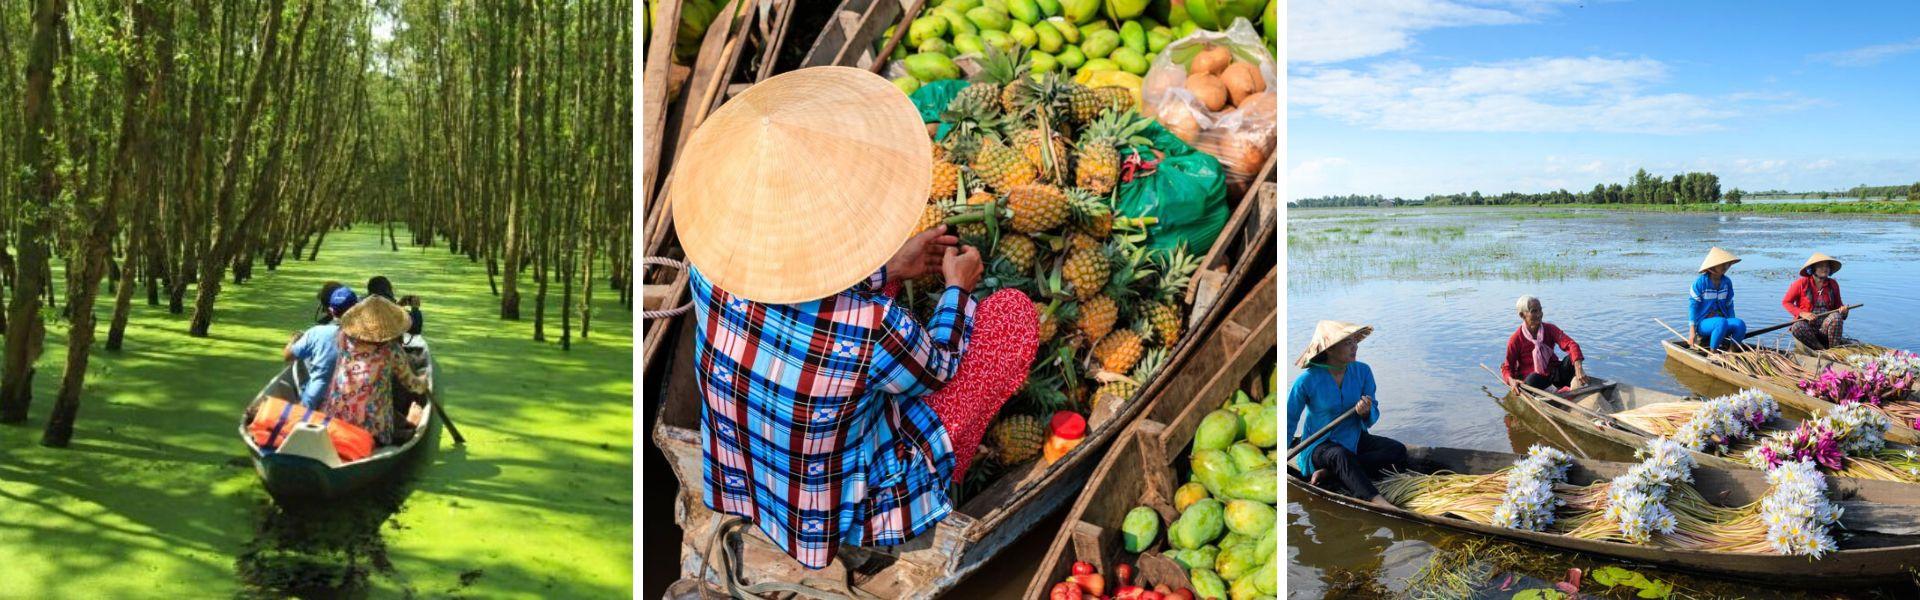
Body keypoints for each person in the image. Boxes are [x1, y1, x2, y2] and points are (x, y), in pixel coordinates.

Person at [670, 67, 1037, 570]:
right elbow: (940, 369)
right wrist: (958, 289)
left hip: (742, 471)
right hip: (840, 506)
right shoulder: (871, 325)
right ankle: (933, 488)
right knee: (1010, 318)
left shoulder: (712, 266)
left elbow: (790, 295)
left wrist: (887, 269)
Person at [1287, 320, 1407, 509]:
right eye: (1348, 343)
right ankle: (1378, 501)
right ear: (1330, 349)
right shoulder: (1307, 381)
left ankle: (1332, 473)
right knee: (1339, 456)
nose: (1355, 347)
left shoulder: (1363, 371)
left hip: (1354, 438)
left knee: (1397, 450)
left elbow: (1372, 413)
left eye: (1355, 341)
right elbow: (1289, 419)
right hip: (1320, 445)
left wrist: (1366, 412)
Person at [319, 295, 429, 446]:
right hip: (372, 429)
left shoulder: (343, 337)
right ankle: (404, 426)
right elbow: (411, 384)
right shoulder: (391, 350)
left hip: (334, 418)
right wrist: (423, 383)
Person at [285, 285, 357, 408]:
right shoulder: (369, 336)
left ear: (331, 310)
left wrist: (293, 340)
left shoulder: (316, 332)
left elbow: (288, 356)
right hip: (352, 404)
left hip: (314, 403)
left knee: (300, 360)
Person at [1502, 295, 1590, 392]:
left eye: (1540, 310)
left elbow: (1571, 344)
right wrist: (1511, 380)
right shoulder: (1515, 339)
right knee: (1532, 379)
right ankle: (1558, 391)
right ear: (1522, 315)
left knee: (1571, 359)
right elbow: (1507, 368)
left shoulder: (1549, 329)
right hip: (1537, 380)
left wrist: (1578, 366)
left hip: (1554, 374)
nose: (1539, 314)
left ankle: (1564, 388)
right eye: (1534, 311)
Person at [1782, 252, 1849, 351]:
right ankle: (1821, 349)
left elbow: (1839, 307)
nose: (1825, 268)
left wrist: (1844, 311)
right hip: (1808, 327)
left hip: (1825, 328)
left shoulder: (1833, 284)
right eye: (1821, 266)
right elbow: (1786, 302)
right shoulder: (1801, 283)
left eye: (1827, 266)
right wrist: (1802, 313)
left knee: (1836, 317)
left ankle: (1834, 350)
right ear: (1813, 269)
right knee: (1797, 326)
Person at [1689, 247, 1748, 349]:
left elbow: (1729, 305)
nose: (1726, 266)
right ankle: (1713, 353)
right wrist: (1692, 332)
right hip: (1703, 323)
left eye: (1727, 264)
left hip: (1722, 322)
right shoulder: (1700, 283)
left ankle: (1732, 352)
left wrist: (1732, 327)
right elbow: (1693, 307)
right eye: (1722, 264)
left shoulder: (1726, 282)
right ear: (1712, 268)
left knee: (1739, 324)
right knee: (1721, 322)